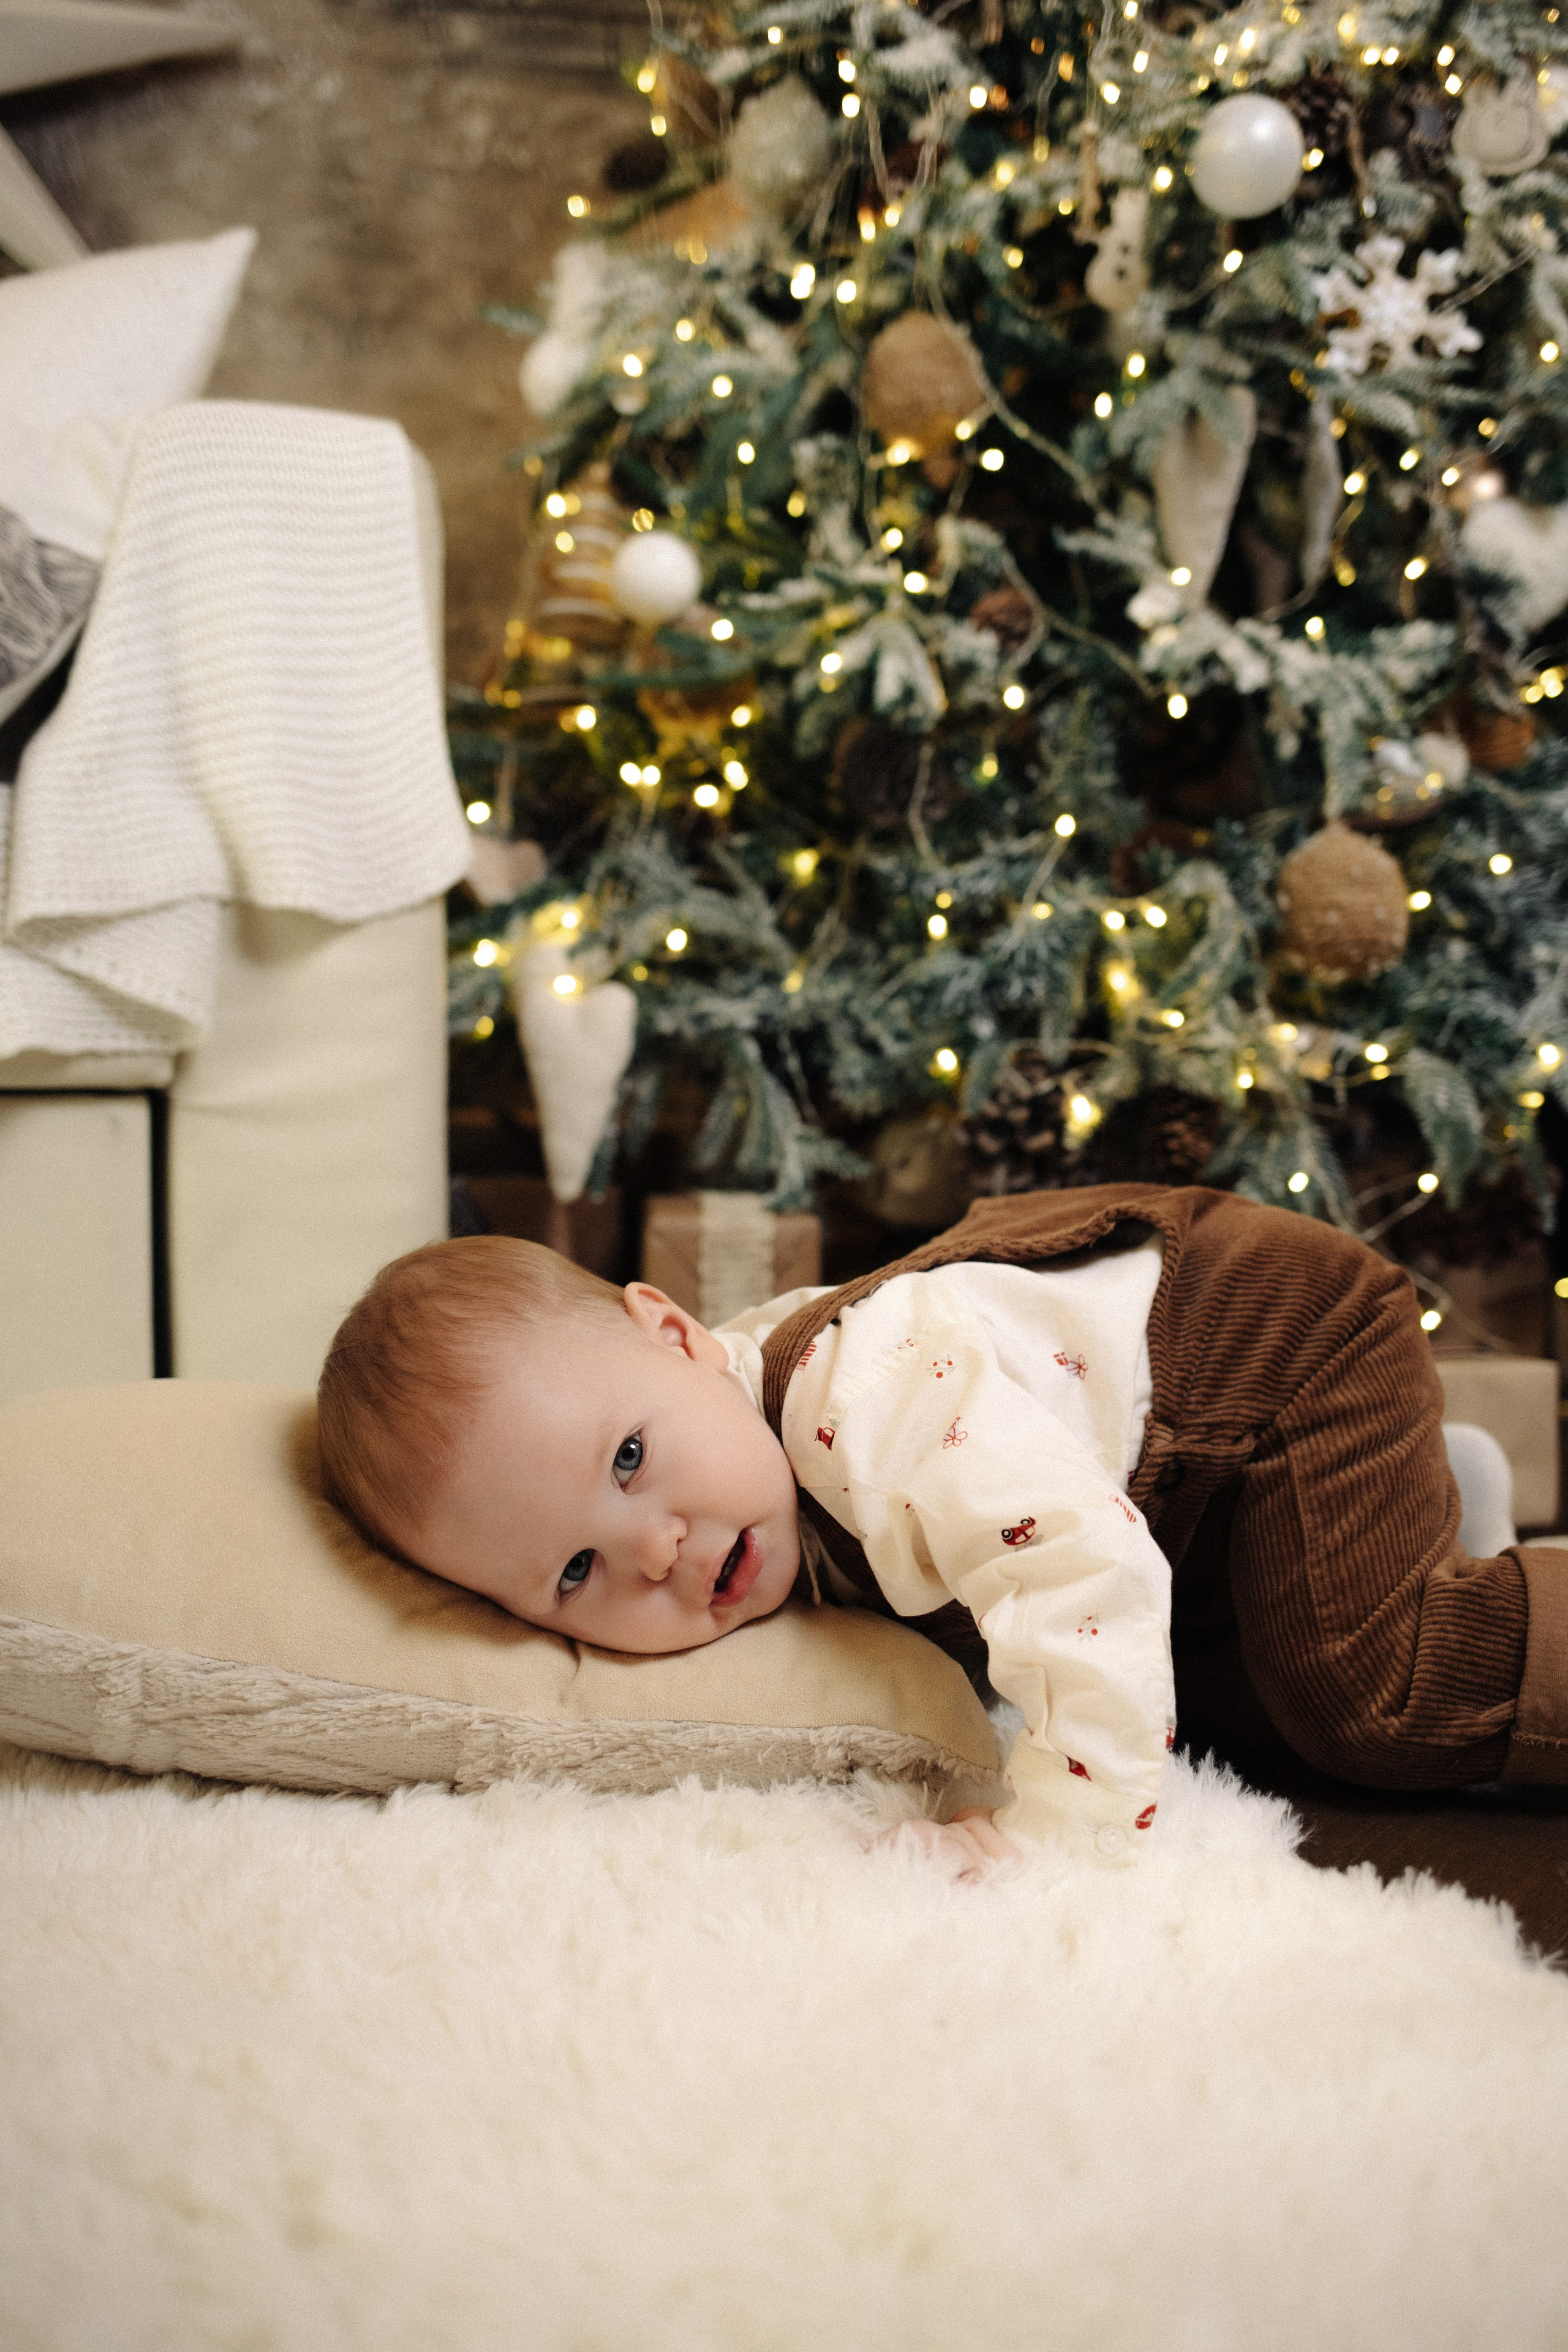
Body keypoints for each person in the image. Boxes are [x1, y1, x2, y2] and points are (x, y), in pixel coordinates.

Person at [315, 1183, 1568, 1874]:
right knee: (1216, 1701)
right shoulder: (729, 1435)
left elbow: (1084, 1574)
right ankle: (1416, 1505)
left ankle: (1432, 1576)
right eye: (576, 1569)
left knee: (1363, 1698)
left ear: (679, 1336)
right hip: (1176, 1483)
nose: (655, 1549)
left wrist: (1055, 1840)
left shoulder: (870, 1408)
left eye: (630, 1459)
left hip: (1274, 1348)